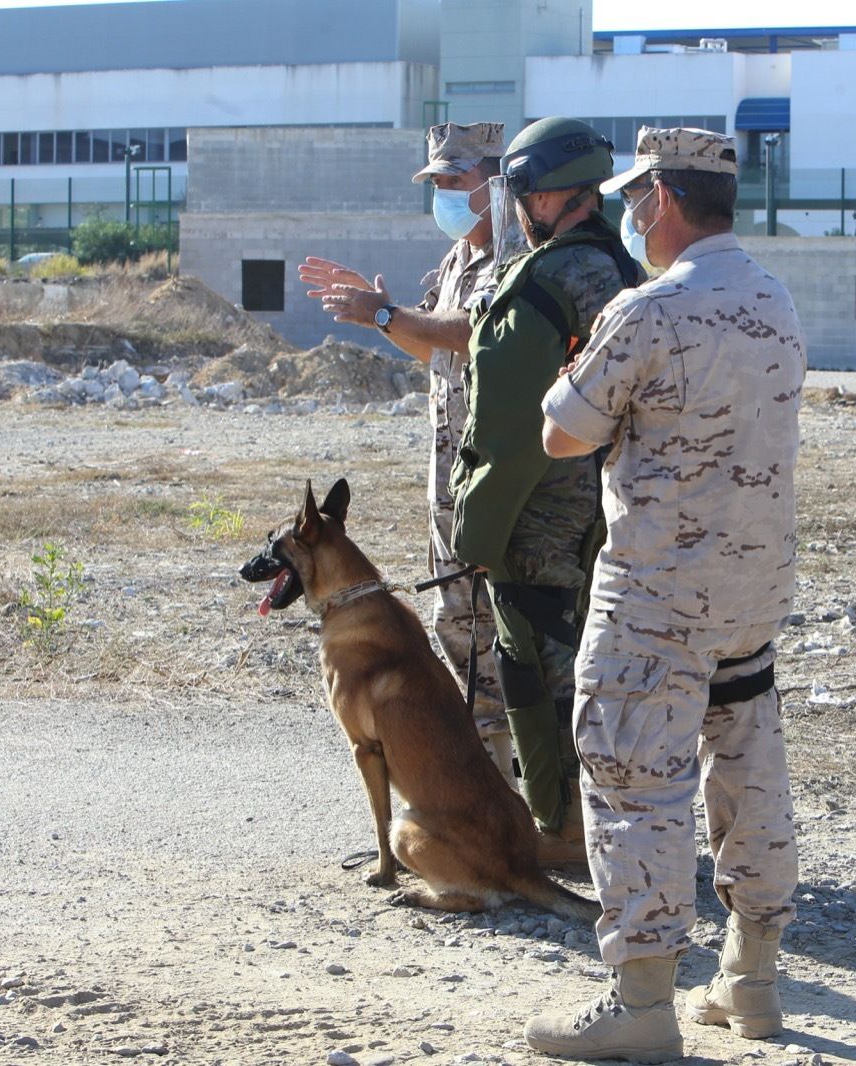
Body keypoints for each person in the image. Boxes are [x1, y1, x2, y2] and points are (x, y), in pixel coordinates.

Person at [525, 126, 805, 1062]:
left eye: (637, 199)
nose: (631, 215)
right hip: (750, 591)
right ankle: (752, 979)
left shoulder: (651, 312)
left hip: (657, 596)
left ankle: (642, 1003)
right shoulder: (775, 299)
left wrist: (574, 376)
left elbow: (563, 434)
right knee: (747, 769)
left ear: (665, 203)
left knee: (634, 783)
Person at [449, 117, 641, 864]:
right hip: (613, 521)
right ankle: (615, 821)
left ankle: (560, 831)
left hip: (540, 529)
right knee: (604, 674)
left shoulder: (538, 283)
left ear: (537, 195)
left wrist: (475, 541)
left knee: (534, 670)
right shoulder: (624, 276)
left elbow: (505, 436)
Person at [297, 122, 512, 776]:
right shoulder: (456, 262)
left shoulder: (516, 253)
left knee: (506, 642)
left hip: (497, 484)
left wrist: (386, 315)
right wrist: (385, 313)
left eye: (456, 179)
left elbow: (473, 329)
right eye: (437, 182)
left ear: (495, 181)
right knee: (462, 636)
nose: (445, 193)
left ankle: (528, 805)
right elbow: (433, 345)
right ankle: (491, 793)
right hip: (450, 485)